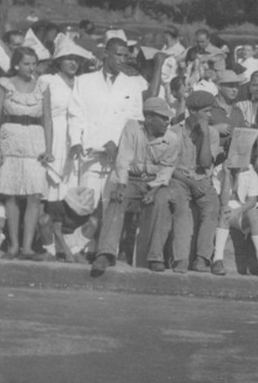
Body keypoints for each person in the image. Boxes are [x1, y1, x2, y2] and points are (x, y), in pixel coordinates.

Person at [90, 98, 182, 276]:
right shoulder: (132, 128)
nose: (167, 122)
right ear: (148, 118)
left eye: (167, 118)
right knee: (117, 198)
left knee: (162, 201)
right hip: (131, 179)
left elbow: (166, 170)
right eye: (163, 118)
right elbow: (123, 158)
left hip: (155, 183)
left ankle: (156, 256)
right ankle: (106, 254)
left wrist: (154, 190)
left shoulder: (172, 140)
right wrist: (121, 185)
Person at [68, 37, 149, 215]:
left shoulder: (132, 84)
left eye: (126, 56)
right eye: (118, 55)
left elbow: (136, 121)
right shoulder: (84, 81)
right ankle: (81, 244)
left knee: (112, 211)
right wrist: (76, 141)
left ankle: (110, 244)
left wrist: (119, 145)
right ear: (106, 54)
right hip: (91, 156)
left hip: (118, 159)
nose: (122, 60)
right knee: (85, 209)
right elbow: (76, 115)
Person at [0, 47, 52, 260]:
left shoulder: (43, 87)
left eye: (34, 63)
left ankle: (27, 247)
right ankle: (13, 246)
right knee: (10, 194)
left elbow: (47, 119)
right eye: (26, 63)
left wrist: (49, 149)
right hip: (10, 140)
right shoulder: (4, 84)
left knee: (34, 194)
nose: (31, 68)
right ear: (17, 64)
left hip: (35, 141)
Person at [41, 38, 93, 260]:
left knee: (72, 194)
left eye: (76, 59)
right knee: (52, 192)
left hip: (76, 141)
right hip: (52, 138)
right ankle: (51, 244)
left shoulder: (83, 82)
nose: (73, 63)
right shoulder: (48, 80)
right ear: (58, 61)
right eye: (68, 59)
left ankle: (70, 243)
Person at [169, 90, 222, 272]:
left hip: (201, 178)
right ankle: (181, 259)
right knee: (182, 208)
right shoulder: (175, 132)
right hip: (180, 178)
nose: (209, 115)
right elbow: (170, 168)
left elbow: (206, 163)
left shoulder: (212, 134)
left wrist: (205, 135)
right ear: (192, 111)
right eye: (206, 111)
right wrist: (191, 183)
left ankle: (202, 258)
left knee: (212, 206)